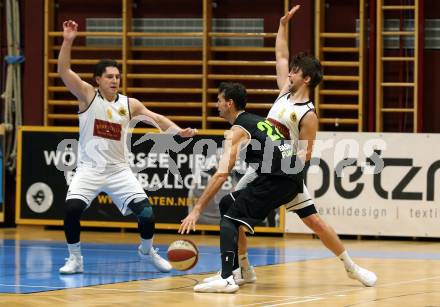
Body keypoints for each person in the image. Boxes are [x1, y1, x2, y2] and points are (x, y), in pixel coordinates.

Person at [203, 5, 377, 287]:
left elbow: (305, 155)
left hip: (283, 173)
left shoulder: (309, 115)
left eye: (295, 72)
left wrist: (283, 171)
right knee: (231, 210)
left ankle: (351, 267)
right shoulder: (284, 93)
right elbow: (281, 54)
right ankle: (243, 269)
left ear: (306, 79)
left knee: (315, 223)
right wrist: (282, 25)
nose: (289, 74)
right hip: (263, 170)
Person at [57, 20, 197, 274]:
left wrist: (178, 131)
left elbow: (156, 119)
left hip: (119, 170)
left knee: (146, 214)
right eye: (109, 76)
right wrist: (68, 40)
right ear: (97, 79)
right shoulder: (88, 96)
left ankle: (147, 250)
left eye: (117, 76)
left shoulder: (129, 104)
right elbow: (64, 71)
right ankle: (75, 259)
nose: (114, 80)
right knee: (72, 209)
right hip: (89, 169)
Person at [179, 82, 304, 293]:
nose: (216, 105)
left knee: (229, 220)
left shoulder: (238, 129)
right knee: (228, 204)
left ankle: (227, 278)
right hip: (288, 176)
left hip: (278, 178)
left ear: (229, 103)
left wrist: (197, 209)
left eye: (219, 100)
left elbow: (221, 173)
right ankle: (240, 270)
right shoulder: (257, 121)